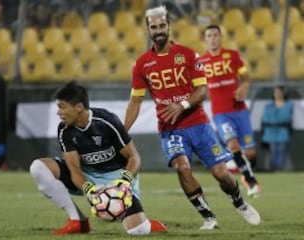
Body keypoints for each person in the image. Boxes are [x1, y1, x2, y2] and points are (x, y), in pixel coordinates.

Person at [124, 5, 261, 230]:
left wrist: (182, 105)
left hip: (198, 124)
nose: (158, 30)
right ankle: (208, 216)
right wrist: (122, 130)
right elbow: (135, 101)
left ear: (168, 26)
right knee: (182, 167)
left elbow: (202, 91)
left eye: (162, 25)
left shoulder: (187, 55)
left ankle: (238, 201)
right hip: (170, 129)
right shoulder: (141, 65)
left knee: (221, 173)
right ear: (148, 30)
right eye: (153, 26)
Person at [29, 81, 168, 235]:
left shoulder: (106, 121)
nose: (58, 112)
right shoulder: (64, 130)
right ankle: (78, 221)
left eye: (62, 107)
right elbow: (74, 169)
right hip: (87, 176)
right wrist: (89, 189)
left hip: (118, 177)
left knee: (138, 231)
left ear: (79, 107)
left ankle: (146, 223)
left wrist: (124, 182)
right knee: (38, 167)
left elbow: (134, 157)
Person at [200, 24, 261, 198]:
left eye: (215, 35)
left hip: (239, 110)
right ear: (206, 39)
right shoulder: (201, 62)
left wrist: (245, 86)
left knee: (250, 153)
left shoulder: (232, 56)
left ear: (220, 37)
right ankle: (251, 181)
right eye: (209, 35)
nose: (212, 38)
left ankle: (244, 173)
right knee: (232, 144)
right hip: (220, 113)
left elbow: (246, 76)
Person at [261, 85, 294, 171]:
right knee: (273, 150)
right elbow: (265, 118)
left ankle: (279, 170)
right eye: (276, 92)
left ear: (283, 93)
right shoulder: (269, 105)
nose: (278, 94)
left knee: (281, 150)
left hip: (282, 130)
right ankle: (273, 169)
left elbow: (287, 117)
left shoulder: (288, 105)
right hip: (270, 131)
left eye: (280, 92)